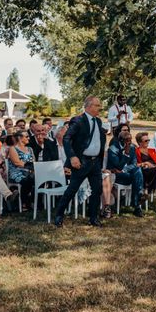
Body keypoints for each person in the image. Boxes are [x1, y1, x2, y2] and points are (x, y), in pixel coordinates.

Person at [54, 96, 107, 228]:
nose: (99, 107)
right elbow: (66, 139)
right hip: (81, 161)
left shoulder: (99, 122)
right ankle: (59, 215)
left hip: (95, 163)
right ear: (88, 107)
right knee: (72, 189)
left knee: (97, 190)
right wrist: (72, 157)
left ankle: (93, 218)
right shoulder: (78, 120)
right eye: (97, 105)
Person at [107, 131, 144, 217]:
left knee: (137, 170)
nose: (130, 142)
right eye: (127, 140)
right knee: (137, 177)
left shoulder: (132, 148)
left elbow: (134, 164)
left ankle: (137, 203)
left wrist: (124, 170)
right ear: (121, 140)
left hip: (127, 173)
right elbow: (118, 166)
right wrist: (126, 154)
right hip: (116, 176)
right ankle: (137, 201)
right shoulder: (113, 149)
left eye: (130, 139)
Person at [7, 130, 36, 210]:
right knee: (28, 179)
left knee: (37, 179)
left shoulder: (30, 149)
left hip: (29, 172)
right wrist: (29, 165)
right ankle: (24, 202)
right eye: (26, 136)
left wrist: (32, 167)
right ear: (20, 138)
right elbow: (17, 162)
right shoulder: (13, 148)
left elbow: (34, 161)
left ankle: (29, 201)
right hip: (17, 172)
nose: (29, 138)